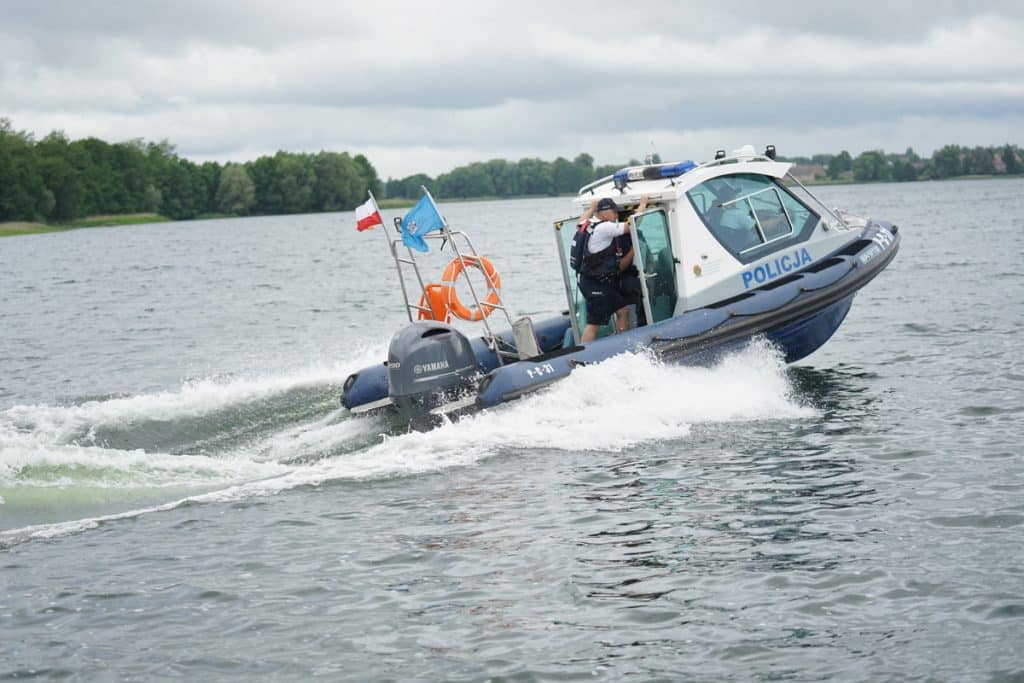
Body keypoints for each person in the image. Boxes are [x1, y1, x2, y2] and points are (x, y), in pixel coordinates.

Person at [577, 194, 649, 342]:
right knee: (594, 323)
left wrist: (591, 209)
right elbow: (631, 225)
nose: (617, 216)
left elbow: (579, 222)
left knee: (623, 310)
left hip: (598, 282)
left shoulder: (589, 224)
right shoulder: (604, 227)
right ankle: (582, 352)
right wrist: (642, 205)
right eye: (614, 212)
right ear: (604, 213)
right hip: (595, 284)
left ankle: (622, 343)